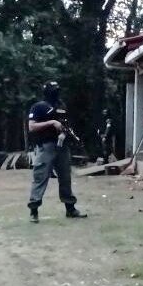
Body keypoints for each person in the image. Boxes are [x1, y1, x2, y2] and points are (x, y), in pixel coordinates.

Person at [27, 81, 87, 223]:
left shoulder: (61, 106)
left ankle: (70, 208)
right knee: (40, 177)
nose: (56, 92)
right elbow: (32, 127)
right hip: (46, 146)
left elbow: (66, 124)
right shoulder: (38, 107)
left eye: (57, 89)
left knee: (65, 178)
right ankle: (34, 210)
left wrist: (64, 133)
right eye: (53, 90)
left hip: (62, 146)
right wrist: (51, 123)